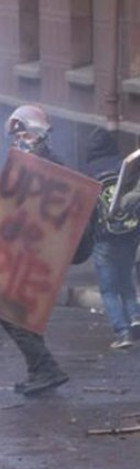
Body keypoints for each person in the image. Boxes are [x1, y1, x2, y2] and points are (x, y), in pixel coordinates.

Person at [0, 105, 72, 394]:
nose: (20, 142)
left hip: (37, 256)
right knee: (15, 314)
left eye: (26, 136)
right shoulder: (27, 166)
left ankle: (46, 369)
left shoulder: (52, 168)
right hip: (22, 252)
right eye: (18, 138)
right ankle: (40, 370)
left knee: (10, 312)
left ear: (40, 136)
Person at [84, 127, 140, 349]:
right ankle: (135, 319)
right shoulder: (124, 166)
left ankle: (122, 332)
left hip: (104, 236)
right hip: (128, 232)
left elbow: (85, 209)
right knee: (125, 279)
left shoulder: (87, 172)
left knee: (108, 289)